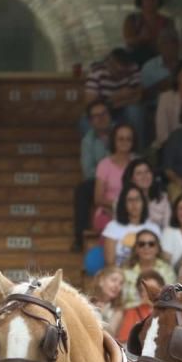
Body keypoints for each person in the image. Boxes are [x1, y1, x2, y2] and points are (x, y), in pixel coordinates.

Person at [84, 48, 145, 140]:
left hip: (124, 110)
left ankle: (137, 151)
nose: (120, 75)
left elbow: (138, 97)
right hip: (104, 111)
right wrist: (114, 98)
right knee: (85, 122)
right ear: (109, 64)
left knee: (135, 111)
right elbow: (91, 105)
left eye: (123, 72)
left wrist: (117, 102)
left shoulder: (133, 68)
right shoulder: (96, 73)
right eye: (117, 71)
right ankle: (98, 152)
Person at [76, 100, 112, 250]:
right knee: (82, 190)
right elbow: (87, 170)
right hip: (98, 182)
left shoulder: (121, 134)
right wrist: (105, 175)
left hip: (124, 179)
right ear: (90, 121)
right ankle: (80, 238)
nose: (100, 118)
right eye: (95, 116)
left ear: (110, 115)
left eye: (103, 114)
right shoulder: (88, 141)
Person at [103, 186, 162, 269]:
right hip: (120, 275)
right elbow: (110, 263)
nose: (134, 204)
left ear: (143, 202)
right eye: (130, 200)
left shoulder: (154, 228)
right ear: (123, 204)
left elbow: (158, 258)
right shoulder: (112, 226)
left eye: (137, 199)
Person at [93, 122, 136, 232]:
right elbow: (98, 198)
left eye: (128, 139)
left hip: (135, 212)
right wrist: (120, 206)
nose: (124, 142)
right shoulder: (104, 164)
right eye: (120, 139)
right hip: (108, 212)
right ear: (114, 141)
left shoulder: (138, 164)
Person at [121, 230, 176, 305]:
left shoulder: (167, 270)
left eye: (151, 244)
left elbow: (170, 299)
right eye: (141, 244)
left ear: (157, 248)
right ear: (136, 249)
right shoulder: (125, 271)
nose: (146, 247)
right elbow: (121, 301)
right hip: (131, 314)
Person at [122, 0, 175, 66]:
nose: (151, 1)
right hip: (137, 62)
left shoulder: (167, 22)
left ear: (159, 0)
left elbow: (172, 45)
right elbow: (128, 41)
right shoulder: (132, 19)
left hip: (160, 61)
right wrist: (140, 38)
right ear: (141, 0)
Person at [116, 270, 166, 344]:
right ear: (140, 293)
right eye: (144, 290)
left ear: (162, 290)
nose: (150, 294)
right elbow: (125, 341)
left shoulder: (169, 311)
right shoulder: (132, 312)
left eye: (153, 289)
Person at [121, 158, 171, 230]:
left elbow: (167, 226)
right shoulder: (123, 200)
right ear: (131, 179)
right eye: (139, 173)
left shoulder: (162, 198)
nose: (144, 176)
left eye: (147, 172)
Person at [88, 266, 126, 336]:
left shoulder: (117, 310)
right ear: (101, 281)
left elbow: (111, 335)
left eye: (121, 283)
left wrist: (101, 315)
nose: (117, 285)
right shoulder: (87, 302)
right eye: (113, 280)